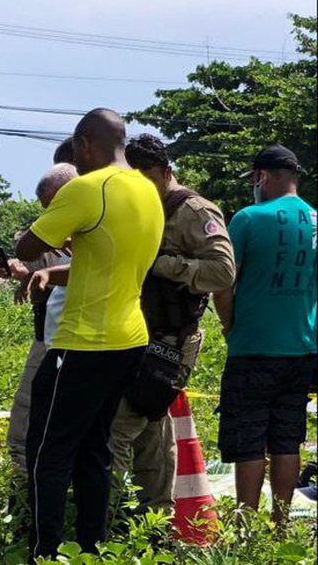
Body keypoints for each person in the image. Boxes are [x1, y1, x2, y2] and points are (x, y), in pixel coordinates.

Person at [15, 108, 164, 559]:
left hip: (82, 342)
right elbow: (104, 262)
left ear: (84, 145)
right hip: (130, 339)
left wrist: (59, 236)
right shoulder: (147, 190)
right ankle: (91, 546)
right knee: (94, 447)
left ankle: (44, 551)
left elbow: (27, 246)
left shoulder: (87, 187)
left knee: (47, 448)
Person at [108, 134, 235, 518]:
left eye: (146, 179)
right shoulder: (138, 207)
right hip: (133, 334)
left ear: (166, 172)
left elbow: (222, 271)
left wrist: (160, 263)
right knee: (150, 430)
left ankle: (107, 526)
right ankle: (153, 525)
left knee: (115, 432)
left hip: (169, 341)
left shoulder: (194, 212)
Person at [213, 143, 316, 527]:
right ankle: (281, 525)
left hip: (253, 345)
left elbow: (223, 283)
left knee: (249, 437)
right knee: (288, 438)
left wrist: (229, 323)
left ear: (261, 176)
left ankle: (245, 526)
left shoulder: (248, 218)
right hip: (302, 348)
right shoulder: (316, 220)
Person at [0, 163, 78, 478]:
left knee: (32, 416)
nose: (50, 216)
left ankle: (30, 482)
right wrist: (31, 276)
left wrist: (34, 274)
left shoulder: (93, 229)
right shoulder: (66, 233)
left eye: (54, 206)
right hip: (53, 335)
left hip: (70, 343)